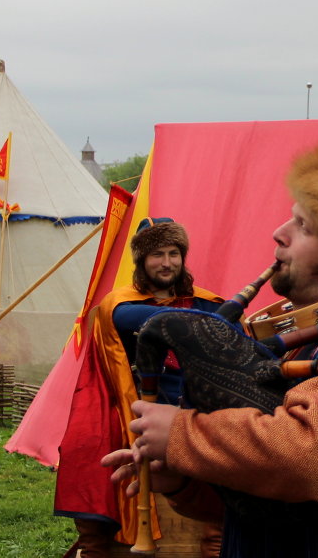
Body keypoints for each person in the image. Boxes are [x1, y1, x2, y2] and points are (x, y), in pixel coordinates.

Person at [106, 135, 318, 558]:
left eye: (303, 226)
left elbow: (310, 460)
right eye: (290, 218)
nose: (279, 233)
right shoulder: (301, 339)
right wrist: (180, 477)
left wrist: (183, 434)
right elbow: (262, 501)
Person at [54, 218, 223, 558]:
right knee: (86, 443)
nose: (166, 262)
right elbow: (159, 321)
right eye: (157, 254)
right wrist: (222, 320)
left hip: (195, 411)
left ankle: (218, 543)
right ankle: (96, 547)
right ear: (142, 261)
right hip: (134, 410)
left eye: (174, 253)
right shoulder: (120, 305)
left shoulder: (205, 303)